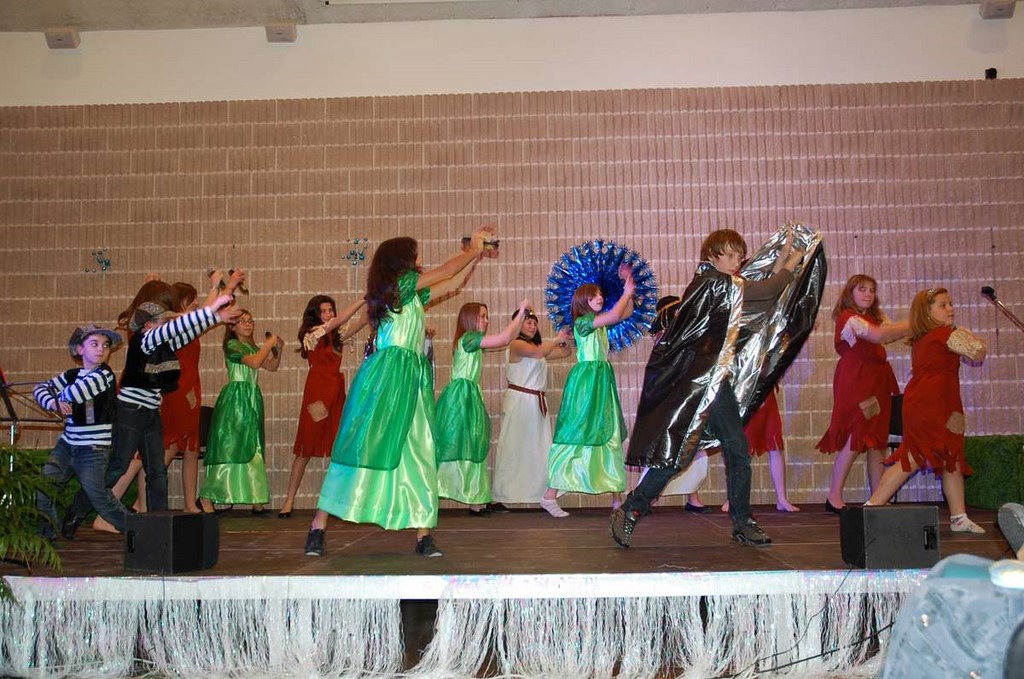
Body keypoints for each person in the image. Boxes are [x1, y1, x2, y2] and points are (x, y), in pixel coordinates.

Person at [304, 227, 494, 558]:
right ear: (401, 262)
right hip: (390, 376)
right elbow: (446, 272)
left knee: (420, 449)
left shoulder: (409, 294)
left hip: (413, 378)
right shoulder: (400, 287)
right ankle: (318, 525)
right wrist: (473, 249)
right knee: (364, 445)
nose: (419, 259)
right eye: (414, 254)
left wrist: (475, 255)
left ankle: (423, 533)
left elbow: (452, 282)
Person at [613, 228, 805, 549]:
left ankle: (741, 522)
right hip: (700, 384)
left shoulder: (718, 283)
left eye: (739, 256)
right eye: (729, 255)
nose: (735, 261)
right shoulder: (713, 283)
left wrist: (783, 257)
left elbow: (756, 287)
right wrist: (792, 263)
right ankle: (633, 508)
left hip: (713, 381)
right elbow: (766, 290)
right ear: (712, 256)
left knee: (729, 449)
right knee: (686, 455)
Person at [61, 282, 242, 538]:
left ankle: (159, 527)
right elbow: (178, 327)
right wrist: (213, 308)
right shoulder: (145, 340)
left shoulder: (162, 342)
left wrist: (216, 317)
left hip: (150, 414)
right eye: (161, 321)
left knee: (157, 472)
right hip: (130, 412)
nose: (166, 325)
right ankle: (77, 510)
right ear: (148, 325)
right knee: (118, 467)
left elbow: (188, 331)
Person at [864, 287, 986, 534]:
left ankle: (959, 517)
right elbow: (977, 351)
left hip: (945, 405)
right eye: (943, 305)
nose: (950, 308)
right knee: (913, 456)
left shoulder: (933, 336)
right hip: (929, 404)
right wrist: (965, 333)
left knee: (951, 456)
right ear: (927, 312)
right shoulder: (942, 335)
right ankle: (871, 507)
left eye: (950, 303)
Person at [816, 275, 908, 512]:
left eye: (872, 290)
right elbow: (879, 335)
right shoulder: (849, 318)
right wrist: (916, 321)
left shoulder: (874, 317)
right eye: (862, 289)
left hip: (876, 383)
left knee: (876, 440)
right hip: (858, 382)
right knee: (855, 438)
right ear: (850, 292)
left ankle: (878, 496)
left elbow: (893, 331)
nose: (868, 294)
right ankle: (834, 497)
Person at [547, 265, 636, 508]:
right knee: (577, 432)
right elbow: (616, 315)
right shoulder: (583, 322)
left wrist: (628, 286)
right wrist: (626, 292)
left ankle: (616, 496)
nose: (600, 297)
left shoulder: (598, 323)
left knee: (609, 432)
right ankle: (549, 495)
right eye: (594, 295)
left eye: (600, 294)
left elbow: (626, 312)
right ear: (583, 300)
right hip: (586, 384)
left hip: (601, 382)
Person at [436, 299, 531, 515]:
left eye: (487, 316)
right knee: (457, 444)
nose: (487, 320)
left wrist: (522, 317)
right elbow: (505, 338)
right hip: (460, 398)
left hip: (469, 396)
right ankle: (442, 489)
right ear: (470, 318)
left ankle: (475, 499)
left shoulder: (472, 341)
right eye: (482, 316)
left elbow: (507, 340)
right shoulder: (469, 338)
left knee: (472, 443)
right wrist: (521, 312)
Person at [35, 326, 129, 539]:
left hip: (92, 449)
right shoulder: (71, 374)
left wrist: (57, 398)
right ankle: (46, 537)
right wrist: (52, 402)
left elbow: (74, 393)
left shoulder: (104, 375)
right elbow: (39, 388)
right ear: (80, 349)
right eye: (94, 344)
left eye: (105, 345)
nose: (101, 349)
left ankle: (140, 531)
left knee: (100, 498)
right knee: (44, 487)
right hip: (67, 445)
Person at [279, 295, 366, 518]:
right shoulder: (312, 334)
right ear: (315, 314)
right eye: (323, 311)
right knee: (306, 448)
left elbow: (361, 321)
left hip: (335, 393)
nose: (328, 314)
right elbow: (339, 321)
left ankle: (337, 501)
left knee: (338, 445)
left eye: (330, 310)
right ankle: (289, 500)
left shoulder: (337, 334)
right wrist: (362, 299)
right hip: (317, 394)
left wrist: (375, 301)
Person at [199, 309, 283, 514]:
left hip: (252, 399)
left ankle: (254, 496)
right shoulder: (232, 345)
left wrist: (277, 350)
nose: (248, 324)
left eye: (250, 321)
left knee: (253, 444)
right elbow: (254, 362)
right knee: (231, 446)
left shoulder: (251, 347)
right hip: (236, 399)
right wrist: (268, 345)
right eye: (242, 321)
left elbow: (271, 366)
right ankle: (207, 497)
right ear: (232, 326)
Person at [491, 309, 573, 517]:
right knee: (513, 449)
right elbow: (537, 353)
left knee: (539, 450)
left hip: (535, 402)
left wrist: (564, 341)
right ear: (518, 324)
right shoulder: (516, 344)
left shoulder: (537, 348)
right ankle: (501, 496)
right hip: (520, 401)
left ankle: (543, 495)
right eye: (528, 322)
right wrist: (556, 339)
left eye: (534, 323)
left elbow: (565, 353)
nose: (532, 326)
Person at [721, 387, 800, 513]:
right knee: (741, 449)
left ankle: (781, 498)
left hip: (765, 395)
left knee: (775, 446)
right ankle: (733, 497)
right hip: (746, 395)